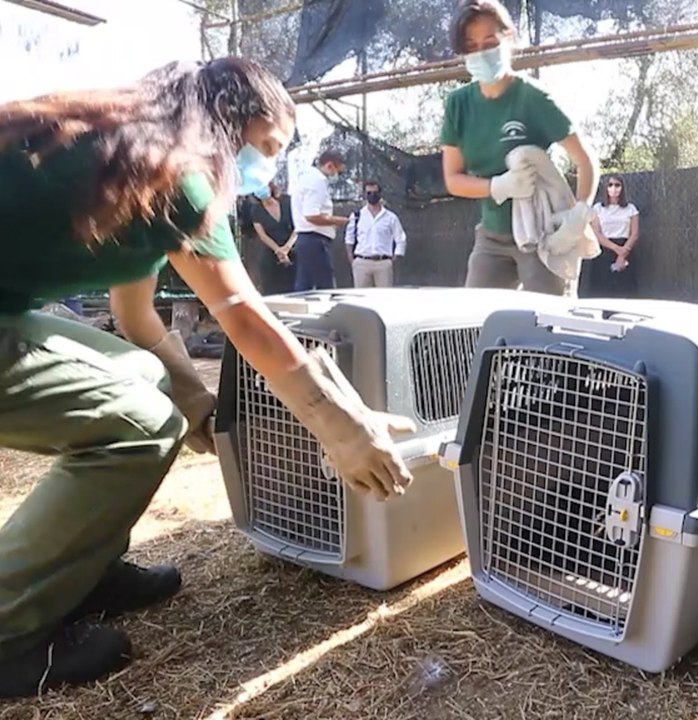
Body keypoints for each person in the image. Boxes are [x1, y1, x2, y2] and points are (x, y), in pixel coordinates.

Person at [0, 57, 416, 698]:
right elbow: (242, 315)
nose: (268, 167)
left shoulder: (132, 160)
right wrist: (339, 426)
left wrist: (194, 398)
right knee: (141, 425)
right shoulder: (183, 179)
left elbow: (133, 316)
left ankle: (79, 570)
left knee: (145, 382)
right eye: (271, 147)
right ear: (238, 123)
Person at [440, 0, 599, 296]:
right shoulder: (458, 104)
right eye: (471, 46)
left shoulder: (533, 98)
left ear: (508, 38)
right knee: (472, 321)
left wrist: (578, 214)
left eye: (489, 42)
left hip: (541, 235)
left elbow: (586, 161)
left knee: (546, 327)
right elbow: (453, 179)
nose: (481, 53)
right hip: (491, 236)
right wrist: (499, 186)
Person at [290, 149, 348, 291]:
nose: (337, 176)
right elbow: (311, 215)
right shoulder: (318, 181)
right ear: (329, 166)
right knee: (326, 286)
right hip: (315, 240)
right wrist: (338, 221)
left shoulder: (305, 177)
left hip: (305, 239)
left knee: (304, 286)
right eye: (338, 172)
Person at [582, 173, 640, 298]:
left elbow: (634, 234)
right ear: (606, 188)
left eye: (617, 185)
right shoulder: (598, 208)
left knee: (625, 289)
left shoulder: (631, 209)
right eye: (610, 185)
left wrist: (623, 253)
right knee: (602, 289)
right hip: (604, 251)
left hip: (626, 250)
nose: (614, 188)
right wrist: (616, 248)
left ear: (622, 188)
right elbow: (596, 233)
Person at [344, 179, 407, 288]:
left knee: (384, 300)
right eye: (369, 193)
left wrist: (394, 259)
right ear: (364, 194)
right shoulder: (357, 216)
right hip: (362, 262)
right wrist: (352, 260)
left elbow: (400, 238)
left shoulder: (390, 217)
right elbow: (349, 239)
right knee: (361, 300)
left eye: (375, 193)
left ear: (380, 194)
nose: (372, 195)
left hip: (383, 262)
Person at [249, 180, 297, 295]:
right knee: (271, 289)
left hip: (294, 250)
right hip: (271, 253)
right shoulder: (256, 210)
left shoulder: (288, 202)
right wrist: (278, 251)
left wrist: (287, 248)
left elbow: (298, 227)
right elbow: (262, 235)